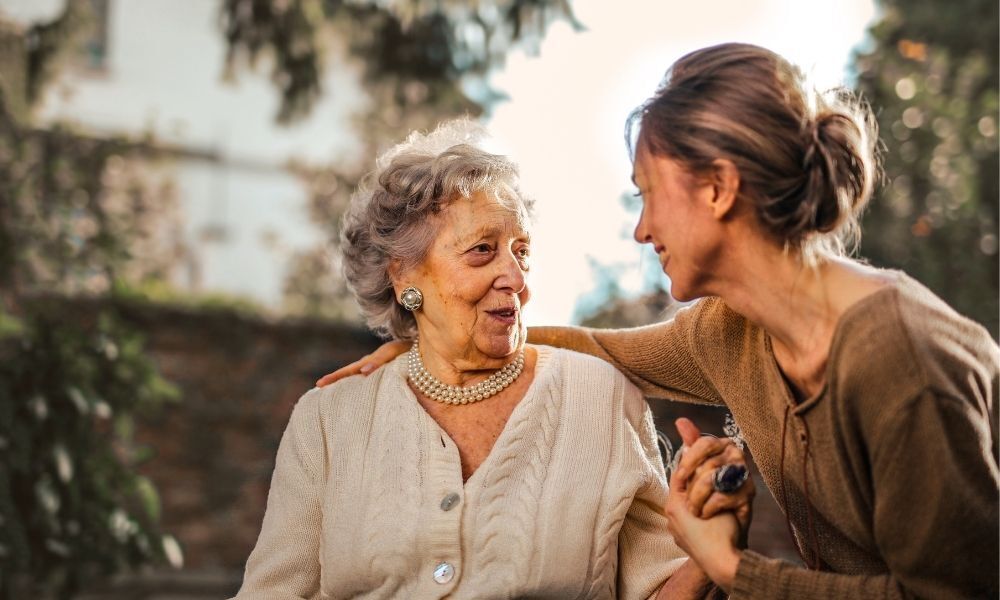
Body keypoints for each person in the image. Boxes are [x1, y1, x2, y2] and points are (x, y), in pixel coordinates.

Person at [318, 44, 1000, 599]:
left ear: (718, 187)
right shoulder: (731, 332)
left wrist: (734, 570)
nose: (641, 230)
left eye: (647, 195)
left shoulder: (900, 359)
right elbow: (597, 348)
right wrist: (435, 343)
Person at [233, 119, 754, 599]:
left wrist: (709, 556)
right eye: (483, 250)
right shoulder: (328, 420)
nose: (517, 279)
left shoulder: (601, 397)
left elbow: (658, 589)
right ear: (403, 275)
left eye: (521, 251)